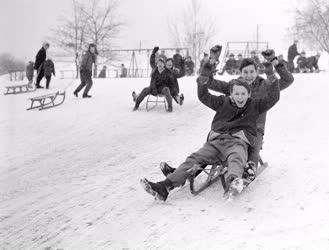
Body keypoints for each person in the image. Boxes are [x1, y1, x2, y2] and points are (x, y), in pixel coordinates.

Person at [140, 77, 280, 201]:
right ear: (231, 94)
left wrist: (273, 79)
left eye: (243, 93)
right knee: (193, 159)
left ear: (249, 94)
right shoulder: (222, 102)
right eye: (236, 93)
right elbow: (204, 97)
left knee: (237, 158)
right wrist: (202, 83)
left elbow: (273, 98)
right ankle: (164, 187)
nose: (240, 97)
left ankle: (233, 181)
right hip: (215, 142)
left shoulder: (254, 105)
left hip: (237, 142)